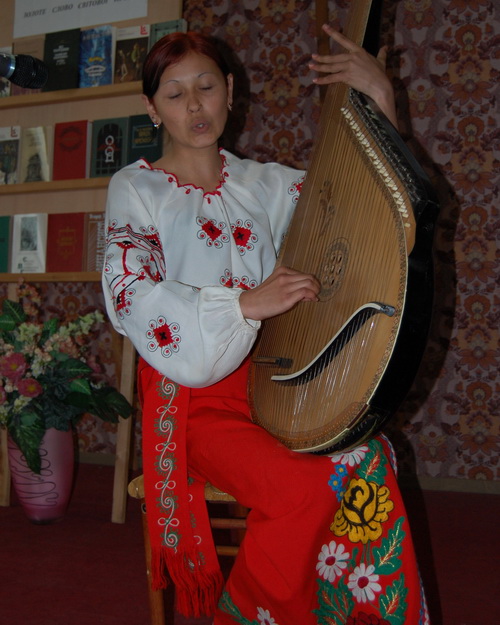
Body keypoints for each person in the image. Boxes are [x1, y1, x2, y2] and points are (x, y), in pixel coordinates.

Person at [102, 25, 428, 625]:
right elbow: (131, 293)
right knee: (301, 490)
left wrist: (381, 99)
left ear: (230, 90)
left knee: (366, 458)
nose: (194, 105)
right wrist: (244, 305)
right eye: (174, 94)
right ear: (152, 108)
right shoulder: (137, 188)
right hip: (192, 402)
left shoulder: (268, 185)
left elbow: (364, 206)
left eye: (206, 86)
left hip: (275, 385)